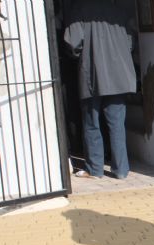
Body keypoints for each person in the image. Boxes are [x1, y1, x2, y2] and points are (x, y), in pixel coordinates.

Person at [64, 0, 136, 179]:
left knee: (91, 123)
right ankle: (121, 170)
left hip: (93, 74)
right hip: (119, 75)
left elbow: (73, 43)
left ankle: (95, 169)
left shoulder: (79, 8)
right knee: (117, 123)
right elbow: (130, 42)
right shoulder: (119, 9)